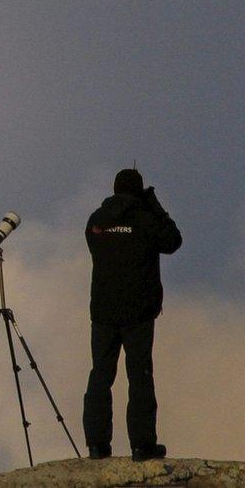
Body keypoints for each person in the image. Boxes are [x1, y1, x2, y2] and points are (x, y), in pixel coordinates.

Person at [83, 168, 182, 462]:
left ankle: (97, 446)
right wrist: (154, 206)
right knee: (139, 377)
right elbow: (173, 241)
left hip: (102, 312)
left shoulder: (96, 221)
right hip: (138, 313)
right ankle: (142, 446)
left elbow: (99, 246)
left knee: (100, 376)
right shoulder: (145, 219)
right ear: (139, 191)